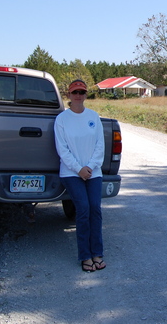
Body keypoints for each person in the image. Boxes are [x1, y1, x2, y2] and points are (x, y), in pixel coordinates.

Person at [54, 79, 106, 272]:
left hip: (93, 171)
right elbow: (62, 149)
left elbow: (100, 146)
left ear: (86, 95)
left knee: (95, 209)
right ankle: (85, 256)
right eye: (75, 92)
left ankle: (97, 253)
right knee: (83, 209)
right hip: (71, 172)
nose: (78, 96)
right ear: (69, 95)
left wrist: (90, 167)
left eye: (82, 92)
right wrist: (79, 169)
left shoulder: (94, 116)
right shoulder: (62, 119)